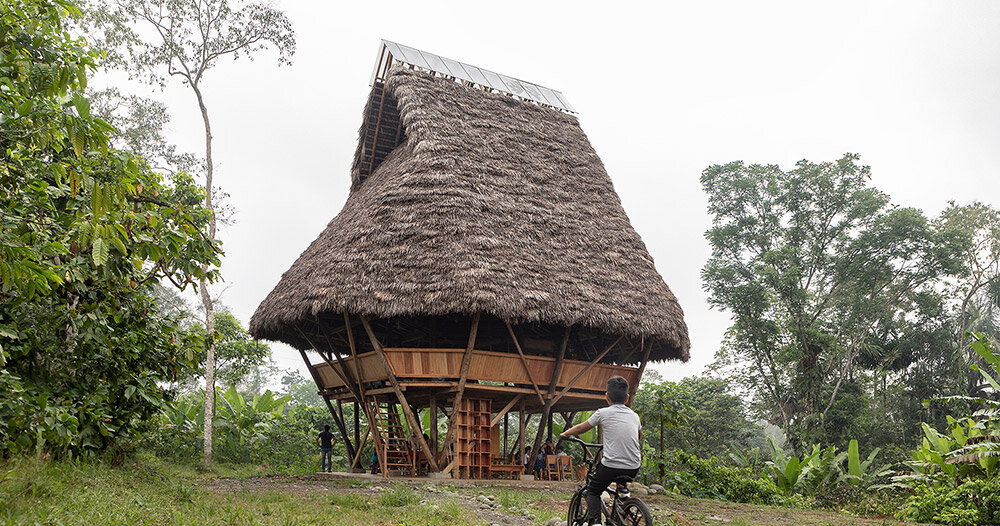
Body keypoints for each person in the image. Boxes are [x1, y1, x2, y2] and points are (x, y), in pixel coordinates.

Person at [561, 376, 641, 526]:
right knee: (622, 481)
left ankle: (596, 522)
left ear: (607, 396)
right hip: (634, 466)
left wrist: (565, 434)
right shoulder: (635, 416)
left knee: (593, 491)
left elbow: (581, 427)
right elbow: (638, 435)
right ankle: (624, 498)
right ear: (627, 398)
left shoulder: (602, 413)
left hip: (611, 466)